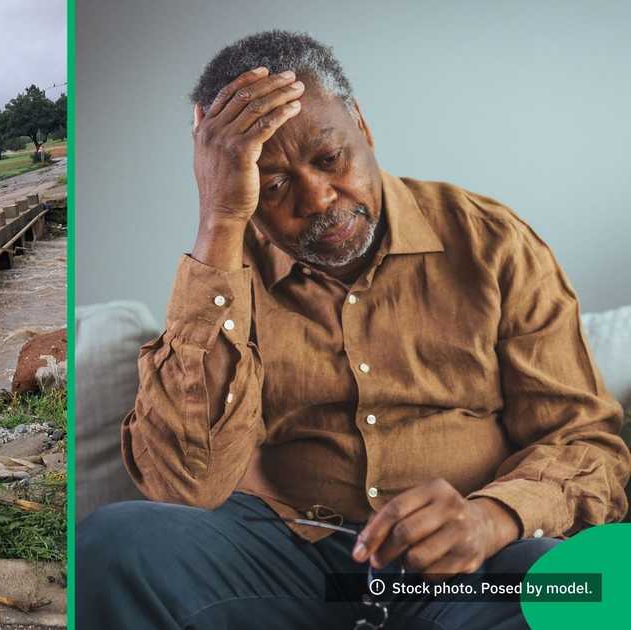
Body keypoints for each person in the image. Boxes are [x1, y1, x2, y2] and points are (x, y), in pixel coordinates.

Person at [77, 30, 629, 629]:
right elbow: (184, 487)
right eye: (275, 182)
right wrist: (218, 220)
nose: (317, 197)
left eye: (329, 158)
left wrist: (493, 517)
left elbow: (586, 444)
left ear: (362, 127)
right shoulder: (223, 278)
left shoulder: (491, 241)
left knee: (585, 590)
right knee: (113, 544)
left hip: (476, 561)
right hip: (296, 563)